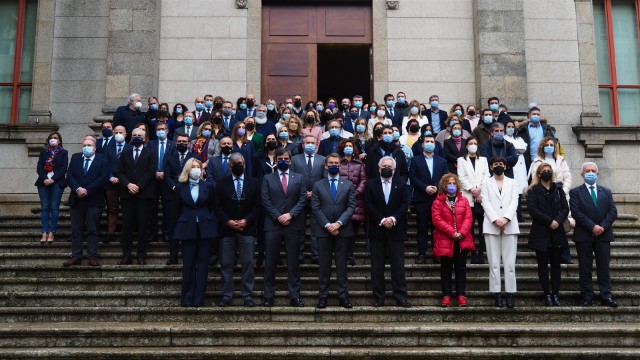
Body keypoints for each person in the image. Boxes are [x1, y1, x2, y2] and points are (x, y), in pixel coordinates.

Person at [261, 148, 307, 307]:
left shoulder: (300, 178)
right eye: (280, 158)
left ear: (290, 160)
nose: (283, 161)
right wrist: (278, 216)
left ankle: (294, 296)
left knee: (293, 263)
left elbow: (302, 200)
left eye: (286, 159)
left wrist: (290, 215)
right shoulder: (267, 178)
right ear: (275, 160)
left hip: (293, 224)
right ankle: (268, 296)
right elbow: (265, 200)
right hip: (273, 225)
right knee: (270, 262)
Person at [214, 153, 260, 307]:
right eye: (235, 163)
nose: (238, 165)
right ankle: (227, 295)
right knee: (226, 264)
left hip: (247, 230)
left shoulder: (254, 183)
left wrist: (246, 221)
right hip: (227, 230)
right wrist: (228, 221)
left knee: (247, 264)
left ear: (245, 164)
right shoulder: (221, 184)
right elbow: (217, 206)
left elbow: (257, 206)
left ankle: (247, 295)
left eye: (240, 162)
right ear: (230, 166)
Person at [570, 162, 618, 307]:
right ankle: (587, 296)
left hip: (604, 235)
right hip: (584, 234)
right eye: (587, 171)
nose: (590, 173)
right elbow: (576, 212)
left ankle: (606, 295)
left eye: (593, 171)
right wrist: (592, 227)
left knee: (603, 267)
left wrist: (602, 227)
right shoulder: (575, 192)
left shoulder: (606, 191)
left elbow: (613, 211)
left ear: (597, 174)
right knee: (585, 267)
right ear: (582, 174)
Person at [312, 153, 357, 309]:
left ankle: (343, 297)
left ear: (340, 165)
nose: (334, 165)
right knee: (324, 266)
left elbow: (351, 207)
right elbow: (316, 208)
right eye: (330, 162)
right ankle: (323, 297)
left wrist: (338, 224)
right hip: (324, 231)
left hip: (343, 231)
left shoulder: (348, 184)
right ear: (326, 165)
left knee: (342, 266)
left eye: (336, 163)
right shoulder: (318, 185)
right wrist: (327, 225)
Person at [364, 156, 410, 307]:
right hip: (377, 231)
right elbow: (368, 205)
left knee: (398, 265)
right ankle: (379, 297)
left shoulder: (401, 184)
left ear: (394, 169)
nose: (387, 168)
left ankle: (401, 296)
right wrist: (383, 220)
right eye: (384, 166)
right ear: (379, 168)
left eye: (389, 166)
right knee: (377, 267)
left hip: (396, 230)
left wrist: (393, 219)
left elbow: (404, 204)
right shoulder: (371, 184)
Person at [173, 158, 217, 307]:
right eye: (193, 167)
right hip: (187, 229)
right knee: (189, 265)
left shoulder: (208, 186)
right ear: (187, 169)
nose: (196, 169)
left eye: (198, 167)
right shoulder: (180, 187)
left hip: (205, 229)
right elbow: (176, 211)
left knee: (203, 265)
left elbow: (211, 206)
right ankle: (187, 298)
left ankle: (199, 300)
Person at [527, 163, 569, 306]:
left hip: (557, 232)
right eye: (544, 171)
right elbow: (532, 209)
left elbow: (565, 208)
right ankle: (547, 294)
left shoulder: (558, 189)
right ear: (539, 174)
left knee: (556, 265)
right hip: (541, 232)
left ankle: (555, 293)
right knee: (542, 265)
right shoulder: (533, 190)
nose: (546, 173)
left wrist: (557, 221)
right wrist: (549, 221)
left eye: (549, 171)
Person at [63, 137, 110, 266]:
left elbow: (103, 178)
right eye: (84, 145)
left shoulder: (102, 160)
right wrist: (78, 188)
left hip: (94, 200)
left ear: (94, 148)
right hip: (77, 200)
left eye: (89, 145)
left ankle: (92, 256)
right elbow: (70, 176)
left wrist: (87, 190)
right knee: (76, 230)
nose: (86, 147)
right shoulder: (76, 159)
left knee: (92, 229)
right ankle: (76, 256)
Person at [481, 157, 520, 308]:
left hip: (510, 225)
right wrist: (496, 219)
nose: (498, 166)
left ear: (505, 166)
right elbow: (485, 202)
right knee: (494, 263)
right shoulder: (486, 182)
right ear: (491, 167)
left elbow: (514, 201)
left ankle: (509, 294)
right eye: (496, 164)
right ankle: (497, 294)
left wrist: (506, 218)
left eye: (501, 164)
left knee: (510, 264)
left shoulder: (513, 182)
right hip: (491, 225)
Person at [115, 127, 157, 265]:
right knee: (127, 226)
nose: (137, 137)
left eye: (140, 135)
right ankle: (126, 255)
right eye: (135, 135)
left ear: (144, 138)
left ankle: (141, 255)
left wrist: (138, 186)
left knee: (143, 226)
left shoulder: (150, 153)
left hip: (144, 194)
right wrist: (128, 185)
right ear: (131, 137)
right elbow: (119, 172)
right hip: (127, 194)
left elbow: (151, 172)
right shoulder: (125, 153)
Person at [432, 173, 474, 307]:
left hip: (462, 240)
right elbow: (436, 220)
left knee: (461, 268)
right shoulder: (437, 202)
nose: (452, 186)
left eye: (454, 183)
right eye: (449, 183)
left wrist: (461, 232)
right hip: (445, 240)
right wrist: (452, 232)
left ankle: (461, 295)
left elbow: (468, 218)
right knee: (446, 268)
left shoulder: (464, 201)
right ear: (444, 185)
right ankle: (446, 295)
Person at [409, 134, 448, 264]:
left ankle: (437, 253)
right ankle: (422, 254)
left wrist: (437, 187)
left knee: (437, 228)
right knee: (422, 227)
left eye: (432, 141)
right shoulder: (415, 160)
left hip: (438, 198)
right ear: (422, 144)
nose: (430, 143)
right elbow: (413, 177)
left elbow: (446, 176)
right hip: (421, 197)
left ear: (435, 145)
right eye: (427, 141)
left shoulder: (441, 160)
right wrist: (425, 187)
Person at [291, 135, 326, 263]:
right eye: (308, 142)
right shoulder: (294, 159)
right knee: (299, 229)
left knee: (316, 229)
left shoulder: (323, 160)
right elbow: (292, 177)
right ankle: (299, 255)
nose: (310, 144)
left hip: (317, 199)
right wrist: (303, 192)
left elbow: (324, 178)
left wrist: (314, 193)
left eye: (313, 142)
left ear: (316, 144)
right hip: (298, 198)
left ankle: (316, 255)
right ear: (302, 145)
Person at [163, 133, 196, 264]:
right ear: (176, 143)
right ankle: (173, 255)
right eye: (179, 141)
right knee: (173, 227)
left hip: (190, 197)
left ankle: (189, 255)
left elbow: (195, 175)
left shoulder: (194, 157)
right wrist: (175, 187)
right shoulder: (170, 157)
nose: (182, 143)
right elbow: (167, 175)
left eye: (184, 141)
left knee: (189, 226)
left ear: (189, 144)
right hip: (174, 195)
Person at [456, 137, 490, 264]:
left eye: (475, 143)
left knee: (482, 227)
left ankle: (481, 252)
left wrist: (479, 190)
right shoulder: (461, 160)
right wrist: (472, 189)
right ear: (466, 146)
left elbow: (486, 175)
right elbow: (461, 177)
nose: (473, 145)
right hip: (468, 196)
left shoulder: (483, 160)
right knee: (469, 227)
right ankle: (472, 252)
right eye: (471, 143)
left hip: (481, 197)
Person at [337, 139, 367, 266]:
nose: (348, 148)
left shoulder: (360, 164)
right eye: (346, 146)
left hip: (356, 201)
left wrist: (355, 193)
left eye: (350, 146)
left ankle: (350, 254)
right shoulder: (338, 163)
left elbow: (364, 180)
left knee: (353, 231)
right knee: (342, 229)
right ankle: (342, 254)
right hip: (340, 200)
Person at [35, 131, 68, 244]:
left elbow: (64, 168)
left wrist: (53, 179)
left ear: (59, 140)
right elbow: (39, 167)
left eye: (55, 138)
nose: (53, 139)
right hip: (43, 182)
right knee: (45, 207)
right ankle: (44, 231)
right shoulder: (44, 152)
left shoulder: (63, 152)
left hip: (57, 182)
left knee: (54, 207)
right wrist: (45, 178)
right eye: (51, 137)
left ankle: (52, 232)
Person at [147, 122, 176, 242]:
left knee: (167, 208)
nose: (161, 131)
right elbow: (147, 160)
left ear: (167, 131)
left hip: (167, 181)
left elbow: (174, 162)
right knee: (152, 208)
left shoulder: (173, 145)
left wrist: (164, 172)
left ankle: (166, 232)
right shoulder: (150, 144)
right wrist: (155, 172)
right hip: (152, 180)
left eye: (163, 129)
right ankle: (153, 232)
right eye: (158, 129)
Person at [101, 125, 130, 243]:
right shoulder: (108, 148)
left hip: (125, 184)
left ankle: (126, 233)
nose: (118, 134)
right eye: (116, 132)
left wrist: (124, 180)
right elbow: (105, 164)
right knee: (112, 209)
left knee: (127, 209)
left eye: (121, 132)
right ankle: (111, 233)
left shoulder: (130, 148)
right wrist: (110, 177)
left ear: (125, 134)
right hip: (111, 183)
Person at [516, 106, 554, 171]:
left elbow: (553, 142)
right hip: (529, 160)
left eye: (538, 114)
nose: (536, 116)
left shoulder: (546, 128)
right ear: (529, 115)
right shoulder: (523, 129)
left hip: (545, 160)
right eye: (534, 114)